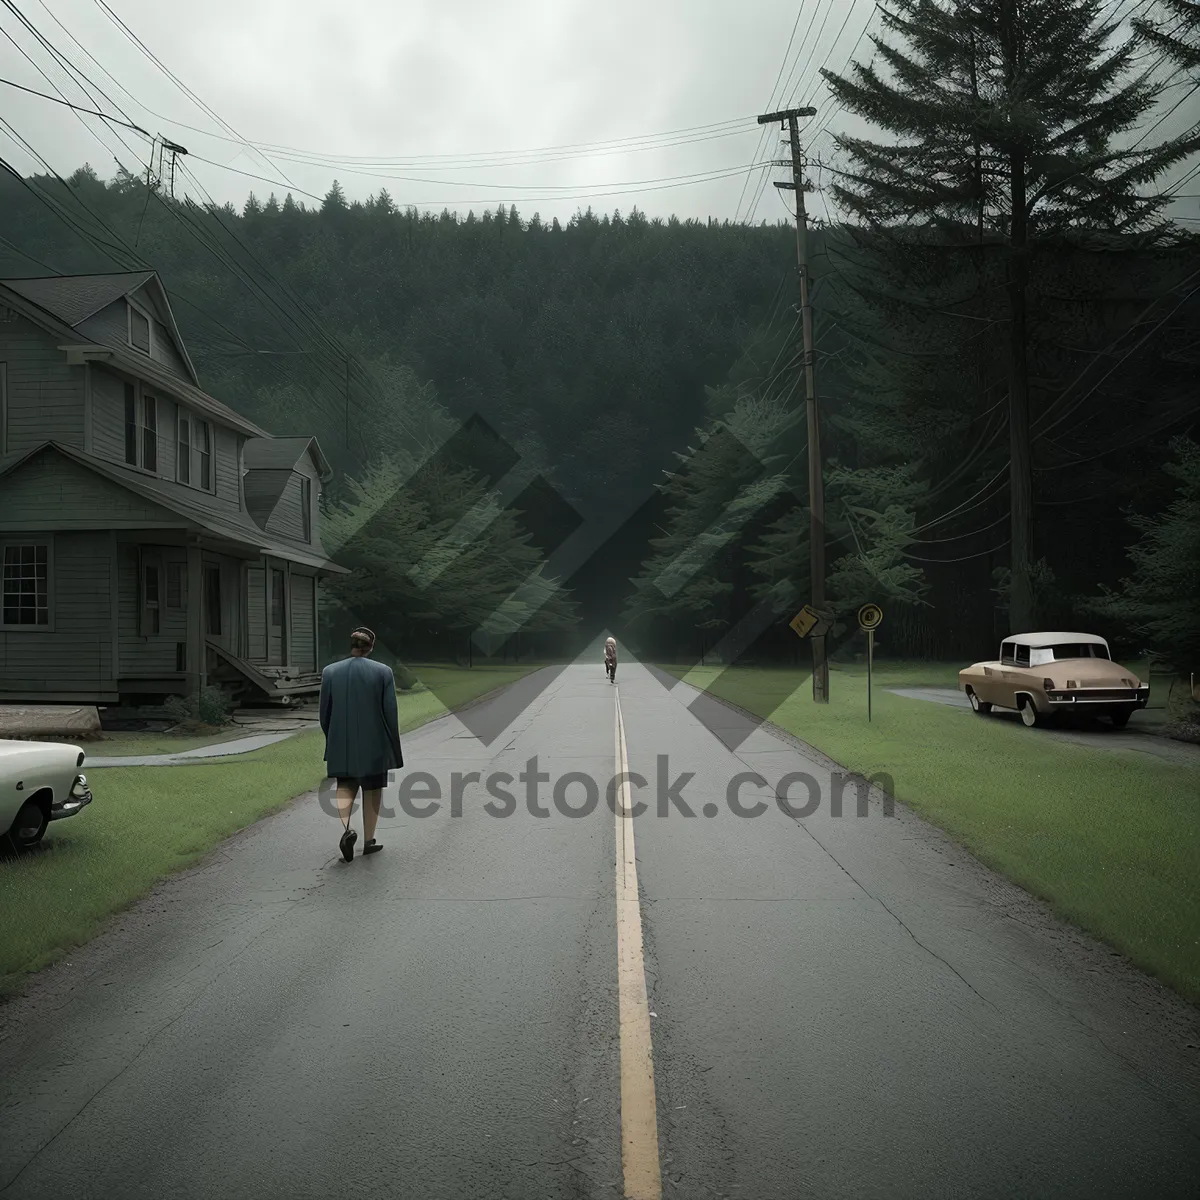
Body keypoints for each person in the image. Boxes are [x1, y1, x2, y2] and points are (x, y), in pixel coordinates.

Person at [319, 627, 404, 862]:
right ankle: (369, 841)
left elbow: (324, 713)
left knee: (345, 785)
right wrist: (392, 744)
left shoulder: (330, 672)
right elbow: (390, 712)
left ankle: (347, 830)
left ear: (351, 645)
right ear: (371, 647)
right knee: (373, 789)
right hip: (374, 741)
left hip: (341, 741)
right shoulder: (383, 672)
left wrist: (332, 736)